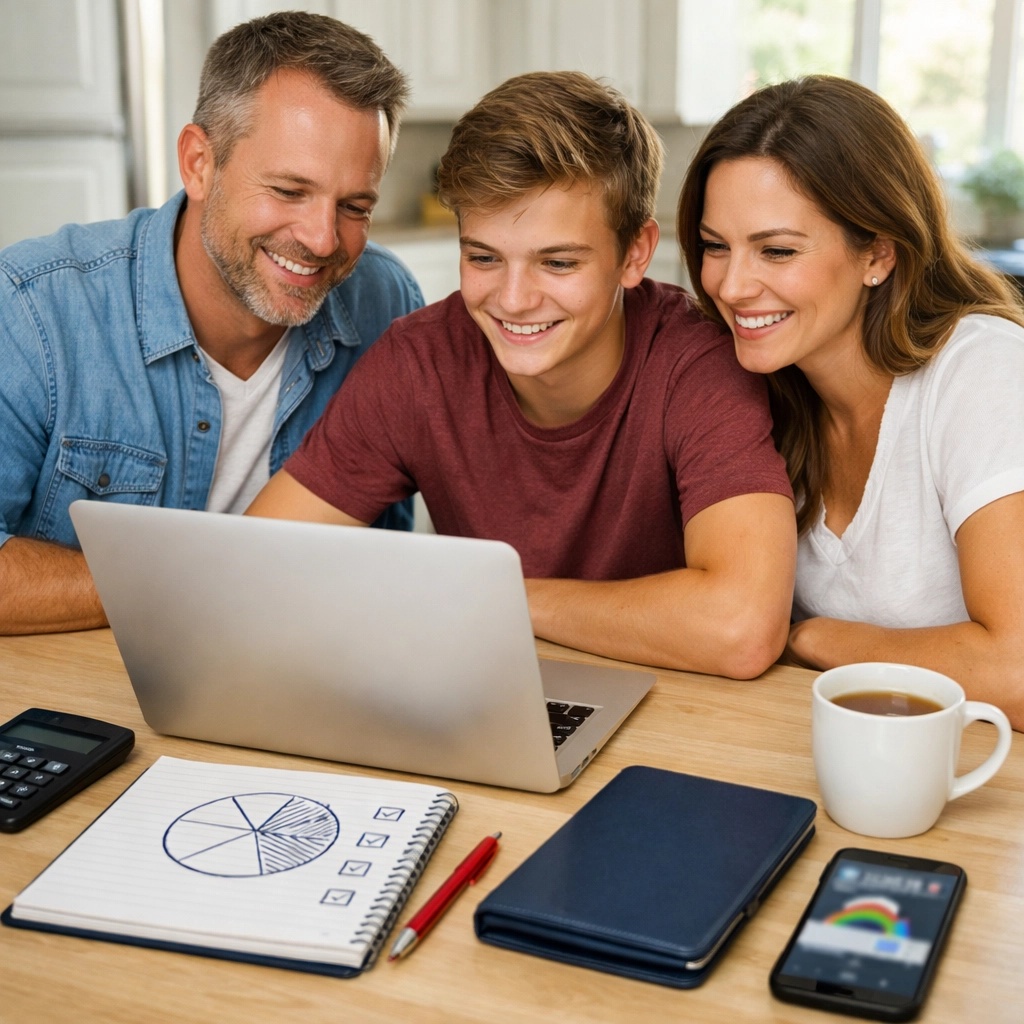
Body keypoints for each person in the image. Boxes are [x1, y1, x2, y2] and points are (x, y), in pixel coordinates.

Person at [248, 71, 797, 679]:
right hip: (491, 696)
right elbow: (251, 565)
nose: (512, 299)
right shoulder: (420, 362)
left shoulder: (697, 365)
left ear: (636, 253)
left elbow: (741, 627)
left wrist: (496, 595)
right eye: (483, 258)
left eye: (557, 262)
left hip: (676, 708)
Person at [0, 12, 421, 635]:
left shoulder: (385, 302)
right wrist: (203, 584)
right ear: (199, 163)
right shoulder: (33, 308)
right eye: (287, 190)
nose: (322, 238)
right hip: (79, 703)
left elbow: (388, 561)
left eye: (355, 206)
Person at [678, 75, 1024, 728]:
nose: (730, 284)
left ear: (878, 254)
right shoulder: (754, 387)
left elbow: (1018, 671)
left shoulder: (983, 370)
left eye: (776, 250)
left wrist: (813, 636)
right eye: (715, 246)